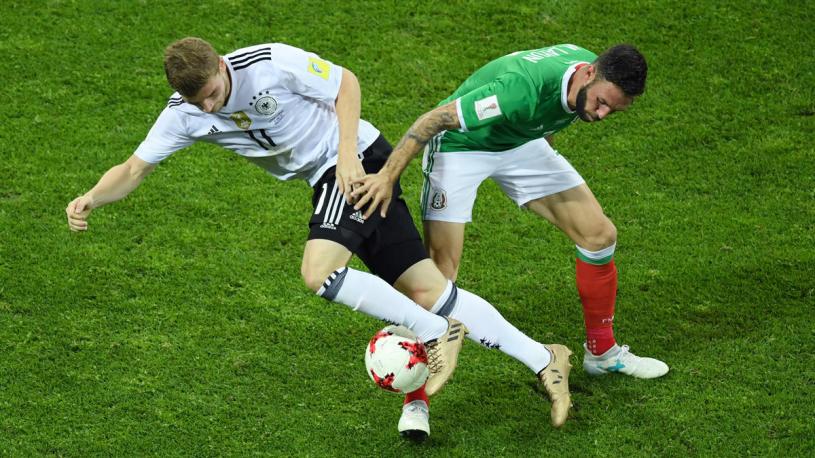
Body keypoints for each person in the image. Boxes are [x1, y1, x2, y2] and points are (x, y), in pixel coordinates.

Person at [65, 38, 574, 441]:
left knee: (318, 272)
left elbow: (344, 82)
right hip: (328, 176)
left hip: (353, 164)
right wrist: (91, 197)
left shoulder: (269, 63)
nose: (212, 107)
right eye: (202, 103)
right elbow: (133, 168)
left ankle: (435, 331)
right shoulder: (186, 112)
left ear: (221, 65)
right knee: (429, 288)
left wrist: (347, 155)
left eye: (215, 94)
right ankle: (544, 358)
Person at [352, 43, 669, 380]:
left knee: (599, 236)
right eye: (601, 103)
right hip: (463, 146)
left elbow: (550, 113)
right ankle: (414, 390)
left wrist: (542, 169)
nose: (602, 114)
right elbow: (434, 119)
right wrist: (386, 177)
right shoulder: (521, 90)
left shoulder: (585, 76)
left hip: (520, 144)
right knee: (439, 276)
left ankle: (602, 353)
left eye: (613, 111)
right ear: (589, 73)